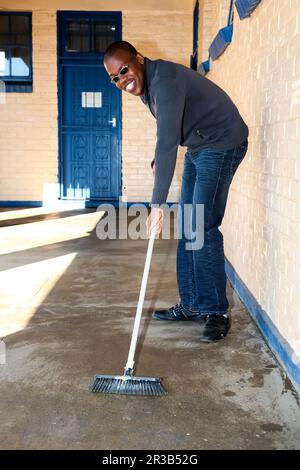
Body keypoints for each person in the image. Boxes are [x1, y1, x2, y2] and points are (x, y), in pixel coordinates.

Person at [103, 41, 249, 342]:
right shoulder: (148, 87)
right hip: (200, 144)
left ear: (139, 59)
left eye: (125, 70)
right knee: (188, 224)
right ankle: (193, 304)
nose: (122, 80)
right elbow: (167, 135)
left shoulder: (164, 81)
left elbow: (168, 142)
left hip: (223, 142)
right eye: (115, 78)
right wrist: (160, 159)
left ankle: (216, 311)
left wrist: (156, 206)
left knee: (202, 226)